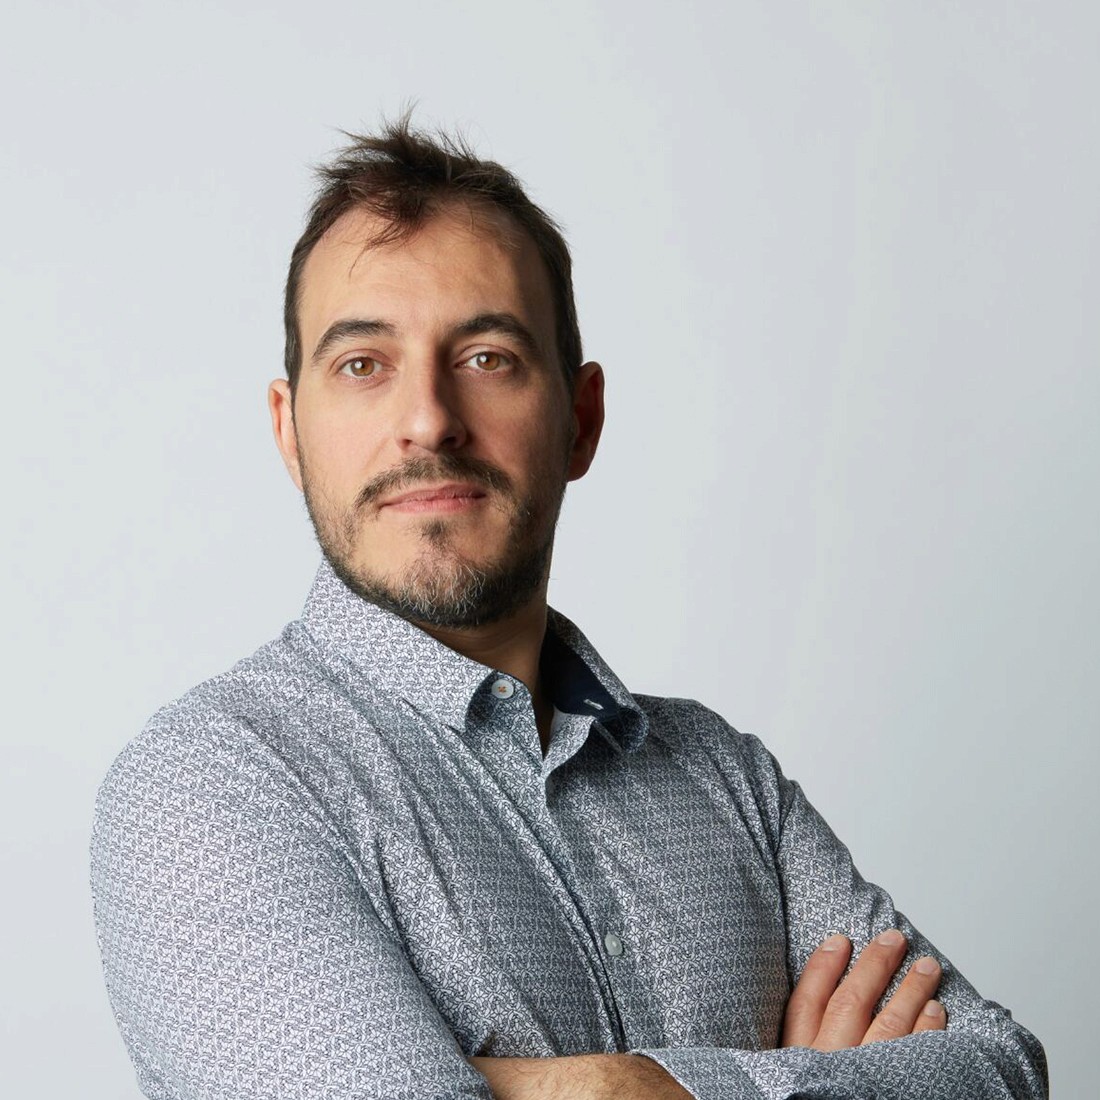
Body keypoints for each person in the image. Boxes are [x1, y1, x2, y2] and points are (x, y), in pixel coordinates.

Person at [90, 117, 1047, 1100]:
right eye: (362, 363)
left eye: (486, 357)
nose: (428, 420)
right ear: (290, 431)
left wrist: (627, 1087)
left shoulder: (728, 780)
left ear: (579, 419)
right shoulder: (207, 789)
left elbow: (1002, 1068)